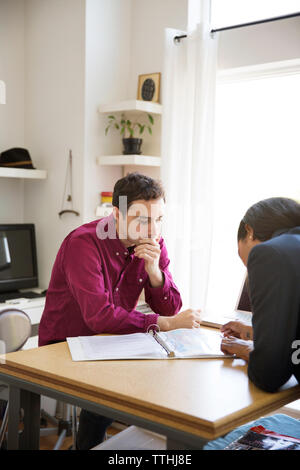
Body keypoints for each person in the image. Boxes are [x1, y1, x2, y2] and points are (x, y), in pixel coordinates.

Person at [38, 172, 202, 449]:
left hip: (109, 341)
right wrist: (166, 324)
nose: (153, 230)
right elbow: (99, 316)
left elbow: (172, 306)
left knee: (168, 379)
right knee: (115, 392)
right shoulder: (84, 243)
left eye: (159, 219)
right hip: (64, 346)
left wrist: (154, 273)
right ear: (117, 213)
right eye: (144, 220)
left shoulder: (153, 243)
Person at [220, 197, 300, 393]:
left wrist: (248, 350)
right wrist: (255, 332)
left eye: (243, 258)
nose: (248, 268)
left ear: (249, 231)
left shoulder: (269, 254)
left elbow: (269, 374)